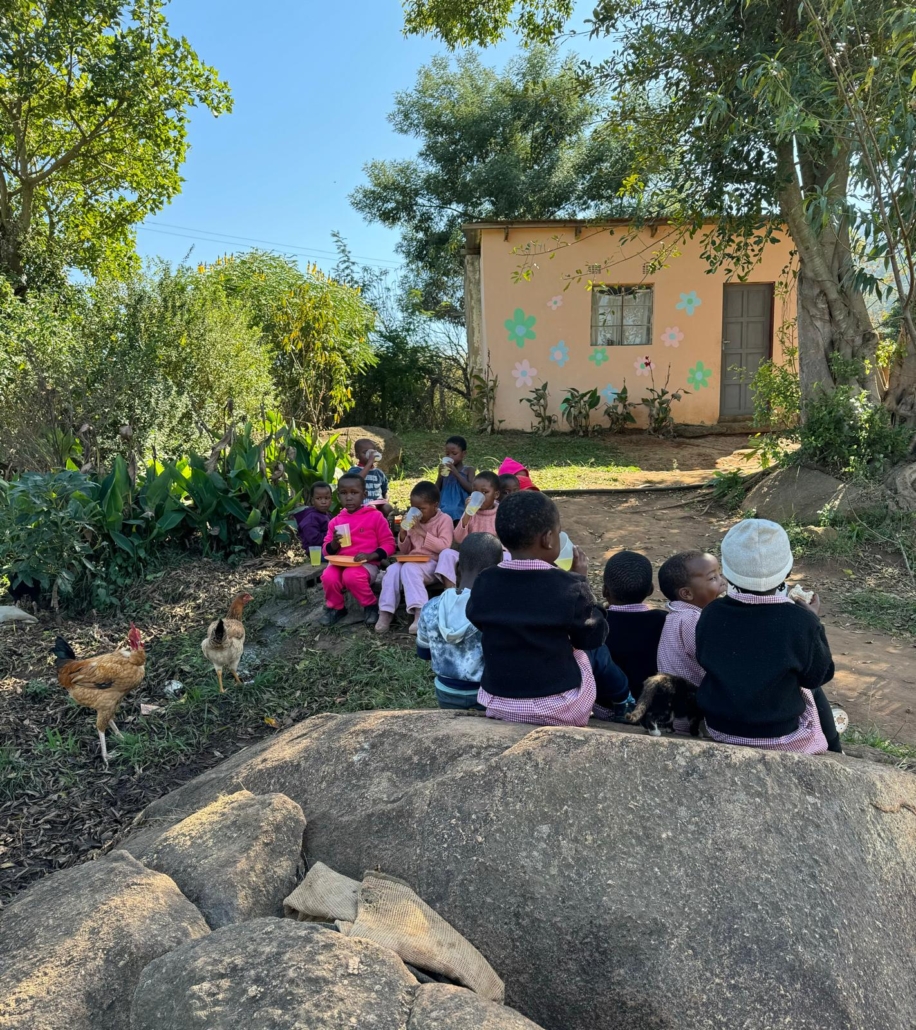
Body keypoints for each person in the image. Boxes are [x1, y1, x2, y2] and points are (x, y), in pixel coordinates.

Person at [696, 519, 842, 755]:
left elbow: (703, 657)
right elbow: (817, 677)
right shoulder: (801, 621)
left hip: (720, 727)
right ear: (788, 570)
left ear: (729, 575)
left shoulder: (711, 613)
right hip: (780, 734)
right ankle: (837, 750)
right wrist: (815, 622)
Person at [466, 491, 607, 727]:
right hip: (559, 708)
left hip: (499, 702)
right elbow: (592, 636)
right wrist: (581, 583)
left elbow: (476, 617)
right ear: (549, 539)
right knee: (583, 655)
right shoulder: (570, 586)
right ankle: (615, 707)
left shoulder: (485, 580)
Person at [417, 533, 503, 710]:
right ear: (497, 572)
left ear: (457, 569)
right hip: (486, 693)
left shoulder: (431, 606)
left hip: (445, 692)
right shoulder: (496, 610)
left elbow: (423, 653)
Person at [376, 481, 454, 635]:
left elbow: (444, 547)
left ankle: (420, 613)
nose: (417, 512)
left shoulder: (444, 520)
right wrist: (404, 534)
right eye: (414, 508)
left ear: (435, 505)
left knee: (409, 568)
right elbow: (405, 549)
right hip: (412, 561)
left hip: (433, 564)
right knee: (392, 570)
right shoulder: (414, 521)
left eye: (422, 509)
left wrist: (421, 531)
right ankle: (385, 612)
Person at [320, 474, 395, 627]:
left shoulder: (375, 517)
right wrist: (334, 544)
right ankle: (336, 607)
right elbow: (326, 552)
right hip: (340, 563)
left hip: (365, 564)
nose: (349, 497)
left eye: (354, 493)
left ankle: (370, 605)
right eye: (344, 493)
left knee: (352, 575)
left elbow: (389, 544)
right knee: (328, 576)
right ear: (338, 495)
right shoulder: (336, 521)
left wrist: (370, 556)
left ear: (364, 495)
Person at [602, 550, 668, 699]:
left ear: (604, 590)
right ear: (651, 590)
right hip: (652, 705)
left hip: (608, 706)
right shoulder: (664, 621)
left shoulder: (597, 623)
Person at [656, 550, 724, 690]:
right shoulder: (691, 619)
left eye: (720, 574)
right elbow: (716, 659)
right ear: (687, 593)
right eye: (712, 578)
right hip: (691, 698)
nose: (723, 582)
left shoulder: (677, 615)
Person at [436, 471, 501, 589]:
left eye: (485, 492)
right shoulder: (470, 512)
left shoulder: (501, 513)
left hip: (492, 557)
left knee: (507, 557)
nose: (479, 496)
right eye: (475, 492)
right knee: (446, 554)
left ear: (496, 495)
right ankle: (450, 594)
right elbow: (458, 538)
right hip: (468, 556)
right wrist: (467, 514)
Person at [347, 438, 393, 517]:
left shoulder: (379, 473)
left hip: (378, 503)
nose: (370, 456)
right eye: (365, 453)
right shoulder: (354, 470)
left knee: (387, 508)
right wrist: (369, 463)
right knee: (371, 508)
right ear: (357, 456)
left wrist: (386, 500)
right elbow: (357, 481)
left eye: (372, 452)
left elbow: (384, 491)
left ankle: (384, 525)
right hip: (362, 504)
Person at [436, 436, 477, 522]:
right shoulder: (445, 471)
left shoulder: (469, 470)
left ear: (464, 454)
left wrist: (456, 474)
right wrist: (439, 476)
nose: (450, 456)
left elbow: (472, 489)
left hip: (460, 506)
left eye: (454, 454)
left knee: (455, 511)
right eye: (447, 454)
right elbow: (435, 491)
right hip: (443, 505)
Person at [294, 481, 333, 551]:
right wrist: (332, 535)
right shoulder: (311, 518)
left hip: (327, 547)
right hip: (316, 552)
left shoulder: (327, 514)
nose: (323, 502)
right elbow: (314, 539)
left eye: (327, 498)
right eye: (318, 498)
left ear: (331, 499)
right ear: (312, 501)